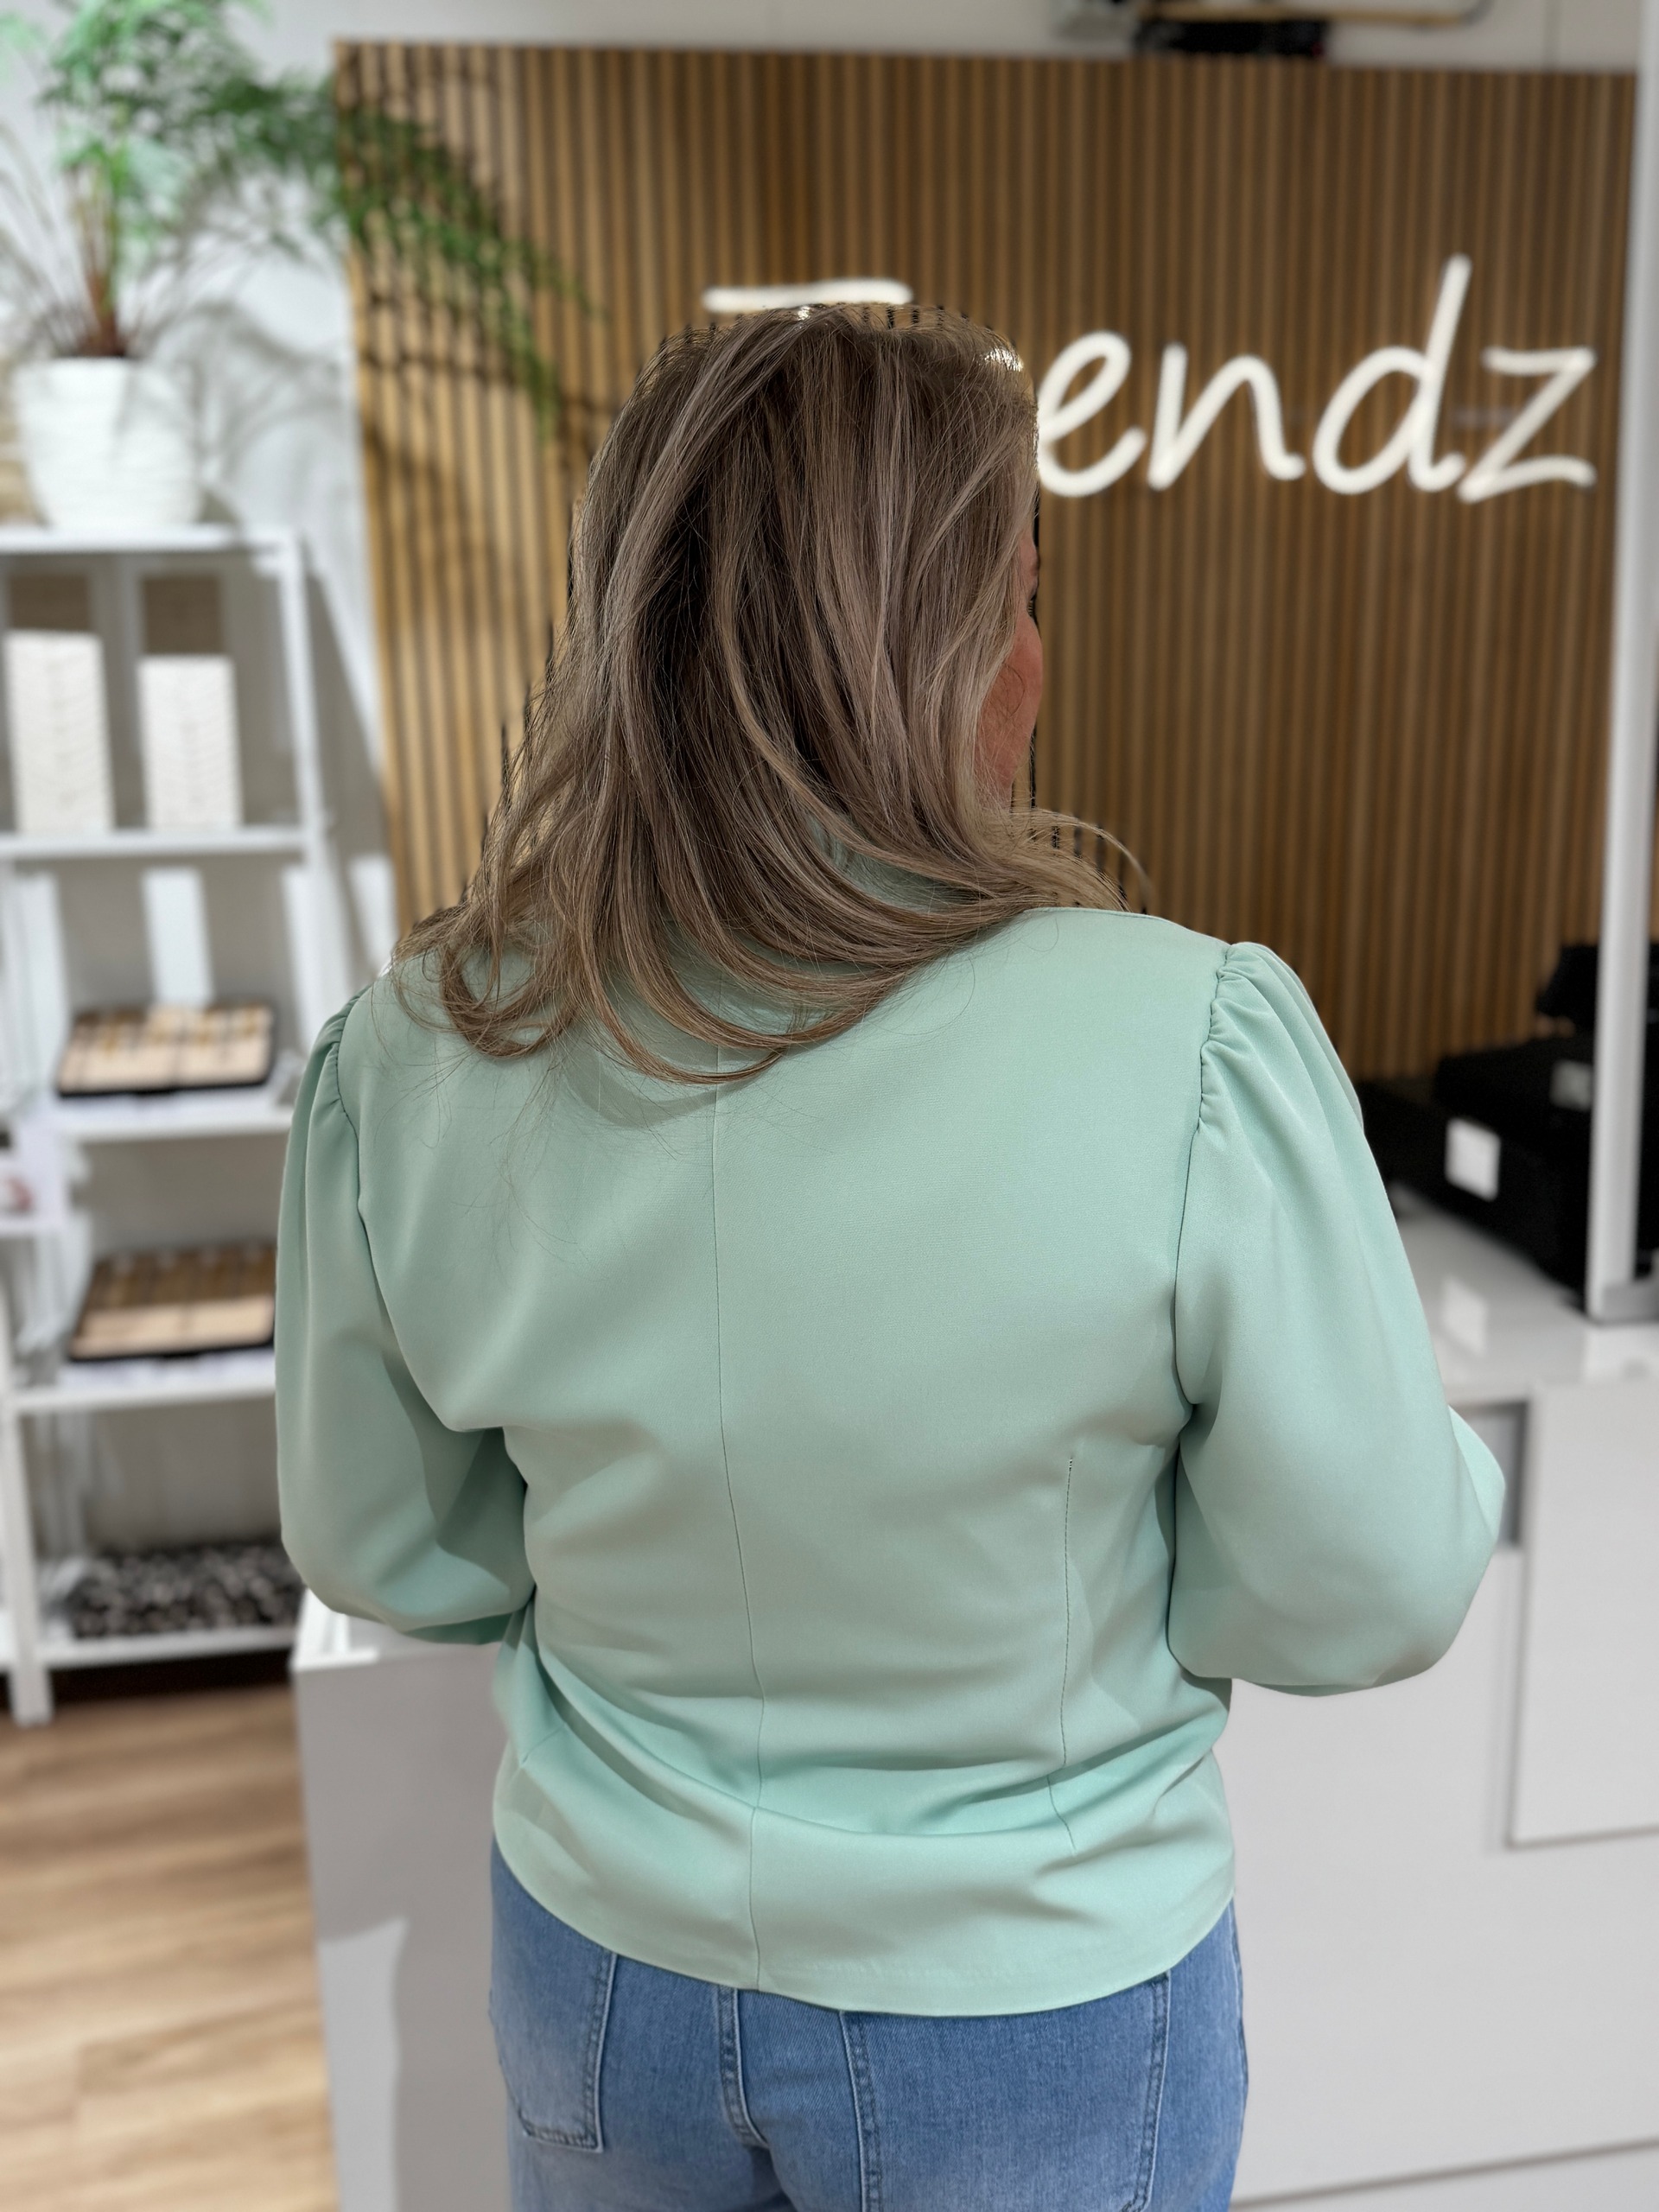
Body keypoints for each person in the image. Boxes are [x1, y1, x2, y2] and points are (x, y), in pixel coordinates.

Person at [276, 307, 1503, 2212]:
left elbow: (385, 1547)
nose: (1039, 657)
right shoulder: (1187, 1040)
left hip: (604, 1976)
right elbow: (1371, 1579)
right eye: (1025, 598)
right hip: (1035, 1994)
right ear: (948, 652)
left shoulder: (424, 1044)